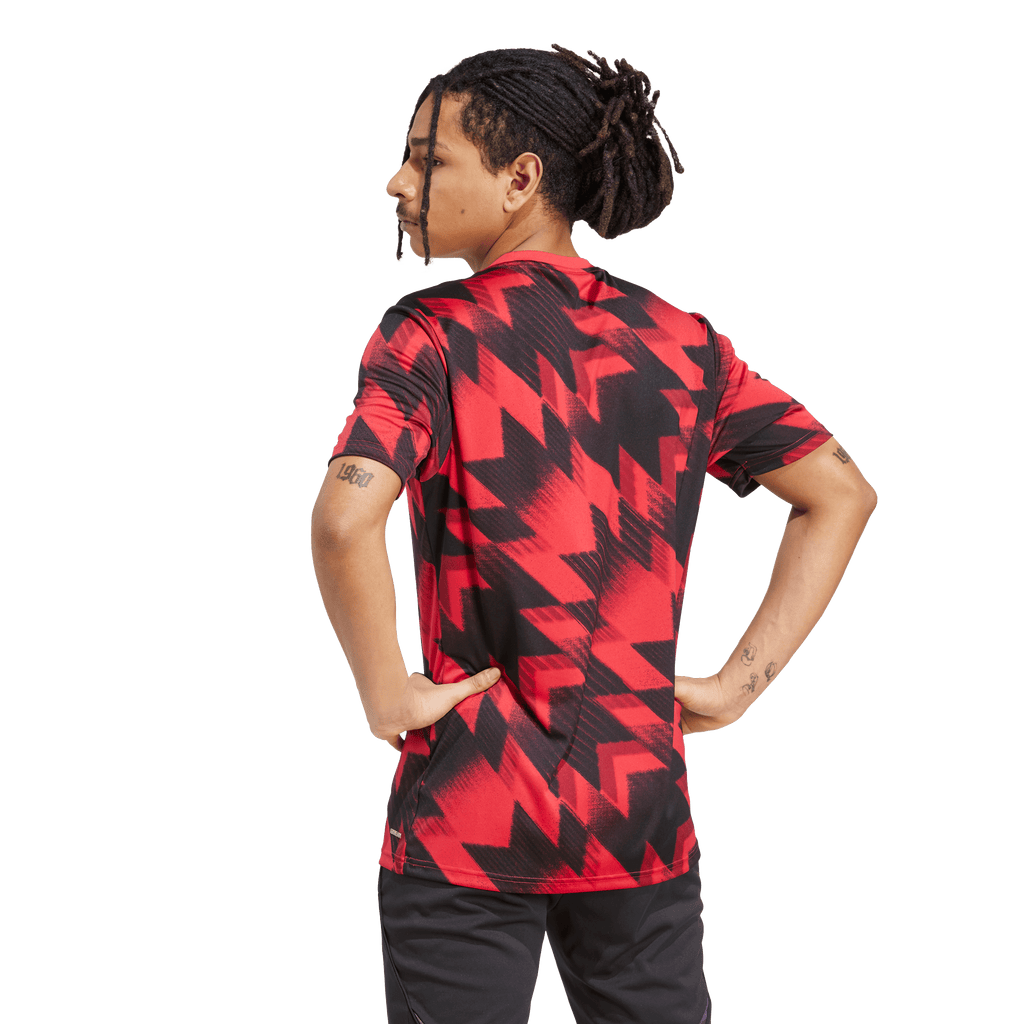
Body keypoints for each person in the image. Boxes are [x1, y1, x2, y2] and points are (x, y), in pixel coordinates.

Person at [310, 43, 877, 1024]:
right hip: (634, 811)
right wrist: (734, 687)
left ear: (520, 179)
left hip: (471, 806)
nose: (397, 182)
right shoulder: (685, 344)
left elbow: (341, 517)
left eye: (427, 159)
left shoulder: (429, 335)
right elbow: (840, 492)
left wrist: (384, 691)